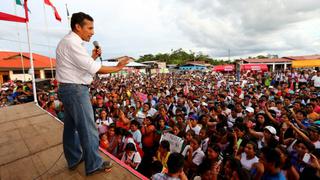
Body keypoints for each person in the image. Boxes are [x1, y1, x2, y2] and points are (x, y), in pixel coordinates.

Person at [56, 12, 129, 175]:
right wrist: (118, 67)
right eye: (90, 28)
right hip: (75, 91)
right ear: (77, 27)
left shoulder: (69, 42)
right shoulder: (72, 44)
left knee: (70, 128)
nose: (92, 32)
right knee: (88, 129)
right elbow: (95, 69)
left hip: (68, 89)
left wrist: (92, 57)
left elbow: (80, 68)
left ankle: (74, 158)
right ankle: (94, 164)